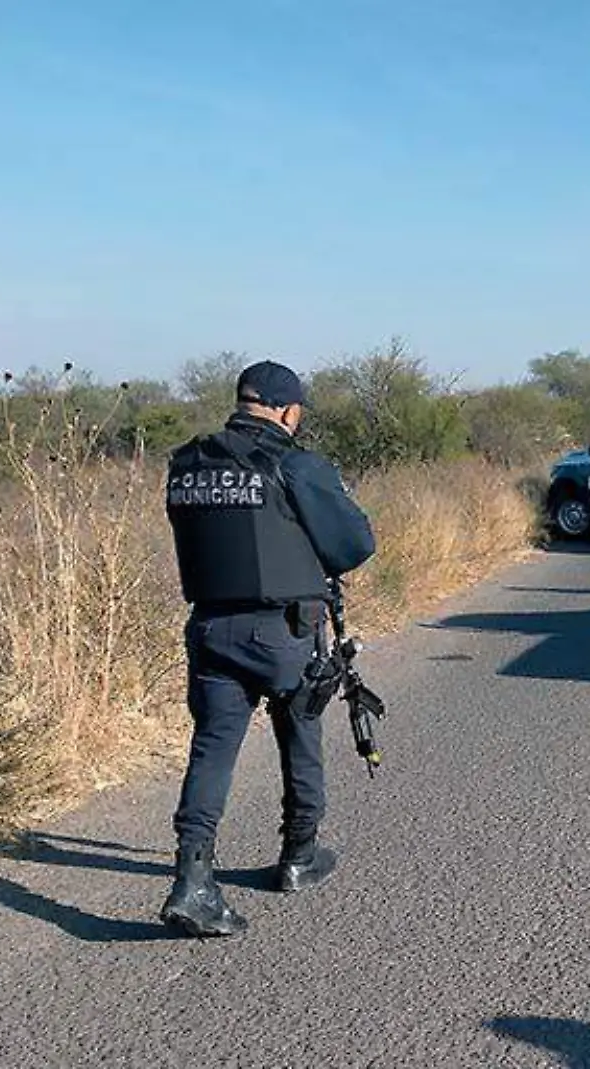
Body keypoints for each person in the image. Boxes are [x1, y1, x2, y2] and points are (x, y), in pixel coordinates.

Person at [158, 360, 377, 938]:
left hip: (210, 630)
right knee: (301, 734)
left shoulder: (187, 464)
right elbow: (354, 544)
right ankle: (299, 856)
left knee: (211, 748)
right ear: (287, 411)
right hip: (285, 632)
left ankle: (193, 881)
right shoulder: (295, 465)